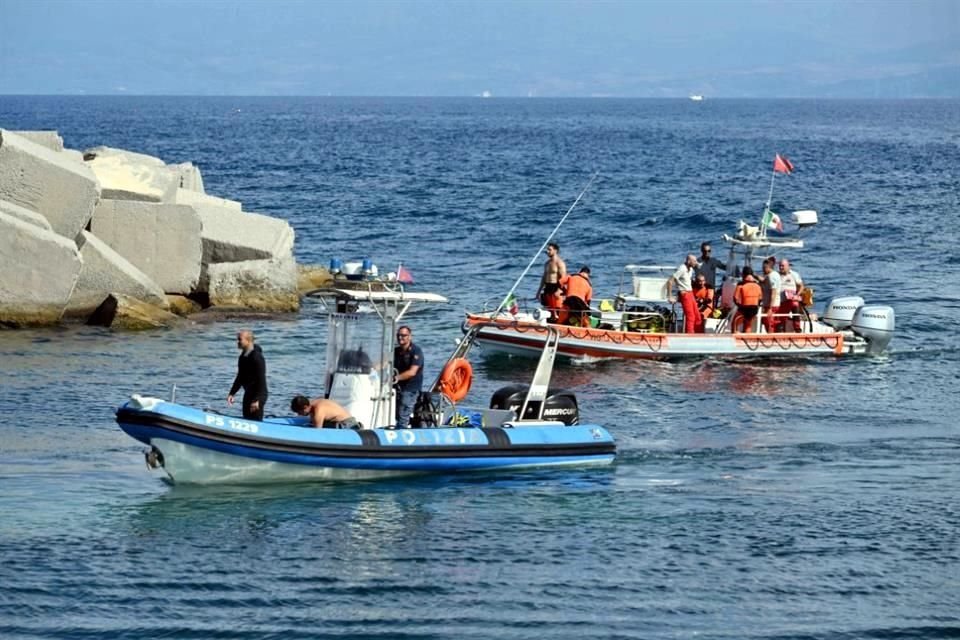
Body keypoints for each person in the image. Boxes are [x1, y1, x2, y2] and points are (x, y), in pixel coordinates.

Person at [227, 330, 268, 420]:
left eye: (240, 339)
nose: (237, 342)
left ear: (248, 340)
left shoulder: (257, 357)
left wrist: (258, 400)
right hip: (248, 392)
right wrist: (232, 393)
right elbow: (240, 376)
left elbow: (261, 380)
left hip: (258, 394)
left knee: (255, 421)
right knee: (246, 419)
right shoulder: (243, 356)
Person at [393, 324, 424, 429]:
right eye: (398, 335)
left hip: (410, 389)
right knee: (396, 414)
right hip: (398, 388)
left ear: (409, 336)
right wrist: (373, 367)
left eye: (403, 335)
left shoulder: (416, 351)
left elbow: (412, 372)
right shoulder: (396, 351)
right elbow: (385, 362)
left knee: (402, 415)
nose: (400, 337)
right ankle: (411, 426)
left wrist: (396, 378)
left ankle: (402, 432)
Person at [666, 254, 700, 333]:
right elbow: (670, 281)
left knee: (697, 316)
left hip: (690, 293)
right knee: (690, 317)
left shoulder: (690, 269)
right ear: (689, 261)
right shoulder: (682, 269)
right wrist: (670, 296)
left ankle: (698, 333)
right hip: (685, 294)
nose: (696, 262)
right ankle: (690, 336)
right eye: (694, 261)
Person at [536, 242, 567, 322]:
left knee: (557, 309)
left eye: (549, 249)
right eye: (547, 249)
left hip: (556, 287)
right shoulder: (547, 263)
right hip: (547, 287)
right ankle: (549, 323)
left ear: (555, 251)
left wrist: (559, 290)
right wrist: (539, 291)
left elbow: (564, 278)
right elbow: (544, 277)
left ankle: (560, 323)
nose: (547, 251)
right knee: (549, 310)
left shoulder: (559, 263)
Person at [290, 395, 360, 429]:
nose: (299, 415)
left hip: (346, 425)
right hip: (348, 421)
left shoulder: (318, 411)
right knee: (309, 424)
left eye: (299, 412)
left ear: (305, 407)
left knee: (308, 426)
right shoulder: (314, 403)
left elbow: (317, 431)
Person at [777, 258, 805, 332]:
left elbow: (801, 286)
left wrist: (797, 295)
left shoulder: (794, 274)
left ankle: (797, 329)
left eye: (782, 266)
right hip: (781, 301)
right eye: (780, 266)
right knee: (780, 319)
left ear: (788, 266)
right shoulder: (777, 275)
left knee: (795, 305)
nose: (781, 268)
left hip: (792, 299)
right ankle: (781, 330)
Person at [733, 266, 762, 333]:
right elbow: (760, 299)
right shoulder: (757, 285)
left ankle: (734, 335)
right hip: (754, 309)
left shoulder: (741, 284)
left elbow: (735, 298)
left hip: (744, 308)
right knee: (748, 323)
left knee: (735, 323)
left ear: (743, 275)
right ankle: (747, 336)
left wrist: (740, 306)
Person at [759, 257, 781, 333]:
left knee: (769, 322)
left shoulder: (772, 276)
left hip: (771, 304)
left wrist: (770, 308)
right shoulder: (773, 275)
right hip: (770, 304)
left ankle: (770, 337)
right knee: (767, 321)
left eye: (764, 268)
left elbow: (773, 292)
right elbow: (764, 281)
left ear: (768, 267)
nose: (762, 269)